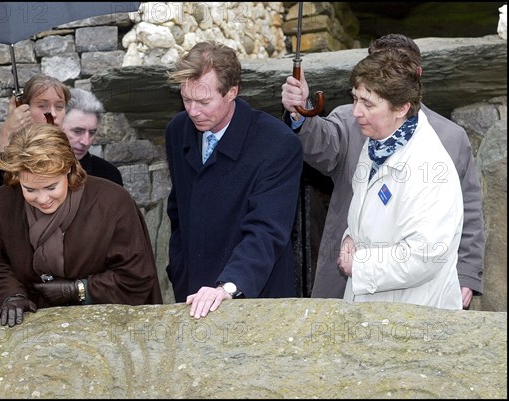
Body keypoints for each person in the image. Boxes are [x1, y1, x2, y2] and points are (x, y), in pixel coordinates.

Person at [281, 34, 485, 308]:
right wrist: (299, 113)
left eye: (368, 103)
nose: (358, 111)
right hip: (347, 280)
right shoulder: (362, 128)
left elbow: (464, 216)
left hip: (411, 301)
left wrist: (467, 274)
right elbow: (322, 148)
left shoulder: (447, 141)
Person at [0, 123, 162, 327]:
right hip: (28, 328)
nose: (42, 199)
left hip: (100, 325)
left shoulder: (113, 203)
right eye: (30, 189)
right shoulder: (2, 203)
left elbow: (136, 274)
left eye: (51, 187)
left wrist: (79, 290)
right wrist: (10, 295)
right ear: (17, 177)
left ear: (68, 168)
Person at [164, 42, 303, 319]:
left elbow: (267, 230)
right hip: (194, 296)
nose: (192, 111)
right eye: (186, 99)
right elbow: (178, 210)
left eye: (204, 102)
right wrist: (179, 272)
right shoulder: (177, 131)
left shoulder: (277, 142)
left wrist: (229, 285)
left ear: (232, 93)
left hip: (257, 298)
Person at [335, 49, 463, 309]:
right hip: (374, 310)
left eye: (368, 104)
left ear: (402, 108)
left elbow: (424, 256)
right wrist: (349, 237)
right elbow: (371, 217)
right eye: (355, 99)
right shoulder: (377, 144)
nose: (356, 112)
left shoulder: (429, 166)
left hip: (416, 319)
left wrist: (358, 265)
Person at [0, 73, 70, 200]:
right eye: (42, 106)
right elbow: (2, 193)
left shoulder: (71, 148)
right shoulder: (13, 147)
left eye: (59, 106)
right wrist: (6, 133)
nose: (52, 113)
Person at [63, 88, 123, 186]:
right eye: (77, 131)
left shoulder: (108, 174)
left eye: (92, 133)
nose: (86, 142)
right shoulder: (33, 167)